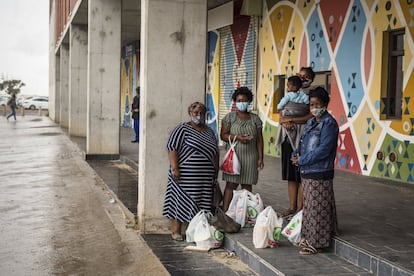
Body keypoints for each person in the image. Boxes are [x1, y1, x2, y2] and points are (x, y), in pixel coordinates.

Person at [291, 86, 339, 255]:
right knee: (309, 207)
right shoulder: (312, 122)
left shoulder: (329, 123)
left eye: (317, 104)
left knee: (318, 208)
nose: (314, 108)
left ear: (325, 104)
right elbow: (304, 142)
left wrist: (303, 160)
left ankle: (317, 243)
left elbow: (324, 149)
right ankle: (309, 237)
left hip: (320, 171)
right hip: (307, 171)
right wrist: (296, 153)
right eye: (311, 104)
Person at [162, 102, 219, 241]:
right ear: (190, 113)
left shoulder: (209, 131)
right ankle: (176, 231)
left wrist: (216, 170)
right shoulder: (182, 129)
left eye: (201, 113)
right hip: (184, 176)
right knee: (180, 202)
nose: (198, 115)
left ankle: (196, 232)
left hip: (205, 177)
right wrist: (175, 168)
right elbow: (172, 147)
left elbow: (215, 152)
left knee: (202, 204)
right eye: (195, 113)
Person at [278, 67, 315, 219]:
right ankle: (292, 207)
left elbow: (310, 116)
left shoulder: (312, 97)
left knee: (301, 173)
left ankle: (301, 208)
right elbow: (282, 113)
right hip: (288, 136)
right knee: (290, 174)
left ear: (310, 80)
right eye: (300, 75)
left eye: (305, 77)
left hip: (305, 138)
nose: (301, 78)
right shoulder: (289, 95)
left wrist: (291, 120)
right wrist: (284, 121)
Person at [220, 87, 264, 212]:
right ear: (235, 101)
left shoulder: (255, 119)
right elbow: (223, 135)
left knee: (247, 185)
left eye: (244, 100)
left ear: (249, 101)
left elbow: (260, 139)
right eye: (239, 100)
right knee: (230, 184)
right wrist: (237, 137)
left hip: (251, 157)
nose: (241, 102)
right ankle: (226, 212)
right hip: (234, 157)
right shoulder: (229, 118)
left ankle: (244, 212)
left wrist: (261, 158)